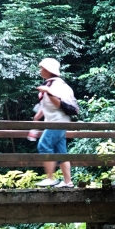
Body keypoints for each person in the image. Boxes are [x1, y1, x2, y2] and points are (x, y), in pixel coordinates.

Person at [32, 58, 77, 188]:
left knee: (44, 146)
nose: (40, 71)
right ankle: (68, 182)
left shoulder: (57, 86)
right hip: (56, 122)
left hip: (57, 122)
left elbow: (59, 104)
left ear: (49, 70)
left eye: (42, 68)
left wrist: (48, 92)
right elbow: (46, 106)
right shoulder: (50, 84)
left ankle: (50, 178)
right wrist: (36, 118)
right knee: (61, 152)